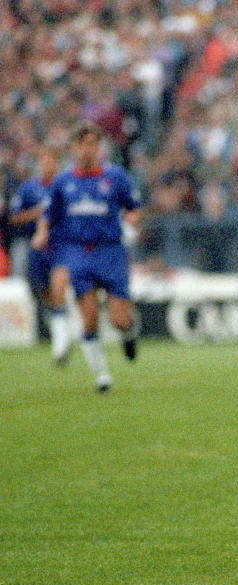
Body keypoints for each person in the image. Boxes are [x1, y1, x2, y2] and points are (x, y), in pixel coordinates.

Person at [32, 121, 142, 392]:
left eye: (91, 143)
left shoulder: (115, 177)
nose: (86, 150)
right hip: (79, 253)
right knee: (89, 316)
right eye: (81, 144)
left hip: (111, 252)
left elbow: (134, 208)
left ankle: (129, 332)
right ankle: (102, 377)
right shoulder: (63, 182)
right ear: (73, 149)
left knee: (119, 320)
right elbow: (49, 214)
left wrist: (130, 224)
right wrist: (42, 232)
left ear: (99, 146)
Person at [8, 146, 76, 364]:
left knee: (58, 290)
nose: (48, 165)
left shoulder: (66, 186)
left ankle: (60, 345)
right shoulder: (28, 189)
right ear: (38, 165)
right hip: (37, 249)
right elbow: (13, 218)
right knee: (46, 295)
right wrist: (36, 214)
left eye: (52, 160)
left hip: (61, 246)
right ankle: (63, 333)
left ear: (58, 163)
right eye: (44, 161)